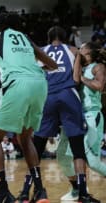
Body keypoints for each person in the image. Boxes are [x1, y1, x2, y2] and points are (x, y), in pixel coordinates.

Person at [17, 27, 102, 203]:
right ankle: (83, 195)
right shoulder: (73, 50)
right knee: (78, 151)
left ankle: (25, 192)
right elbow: (77, 79)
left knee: (36, 150)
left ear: (48, 38)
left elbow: (33, 75)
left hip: (47, 97)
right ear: (64, 38)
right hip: (68, 96)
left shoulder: (41, 51)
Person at [0, 12, 57, 203]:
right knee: (25, 137)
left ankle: (4, 193)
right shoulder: (25, 38)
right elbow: (53, 64)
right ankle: (40, 191)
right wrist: (33, 71)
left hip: (17, 83)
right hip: (39, 83)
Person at [56, 41, 106, 202]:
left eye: (82, 48)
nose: (78, 50)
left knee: (92, 161)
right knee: (63, 156)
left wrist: (81, 77)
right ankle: (76, 189)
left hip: (91, 115)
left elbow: (99, 86)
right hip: (73, 116)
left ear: (89, 53)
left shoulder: (98, 67)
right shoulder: (77, 66)